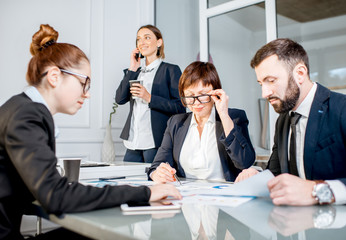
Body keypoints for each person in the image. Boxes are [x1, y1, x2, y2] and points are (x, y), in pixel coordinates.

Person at [0, 24, 181, 240]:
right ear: (55, 76)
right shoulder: (27, 116)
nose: (87, 94)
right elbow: (56, 196)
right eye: (85, 83)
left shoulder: (20, 108)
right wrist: (146, 192)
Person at [235, 38, 346, 206]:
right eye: (261, 83)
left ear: (300, 73)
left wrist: (316, 191)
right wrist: (256, 175)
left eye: (271, 80)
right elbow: (276, 173)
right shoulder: (283, 121)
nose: (265, 93)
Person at [148, 61, 255, 182]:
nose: (196, 102)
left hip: (225, 195)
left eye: (203, 94)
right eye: (190, 95)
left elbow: (244, 162)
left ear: (216, 92)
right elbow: (157, 165)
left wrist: (224, 115)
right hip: (187, 196)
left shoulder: (234, 117)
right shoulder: (175, 123)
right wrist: (157, 173)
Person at [115, 24, 186, 163]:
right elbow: (120, 99)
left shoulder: (170, 70)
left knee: (153, 183)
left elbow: (180, 107)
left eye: (147, 38)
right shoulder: (135, 72)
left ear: (159, 42)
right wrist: (132, 68)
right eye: (139, 39)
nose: (142, 42)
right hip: (133, 141)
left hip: (156, 142)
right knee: (129, 182)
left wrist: (149, 98)